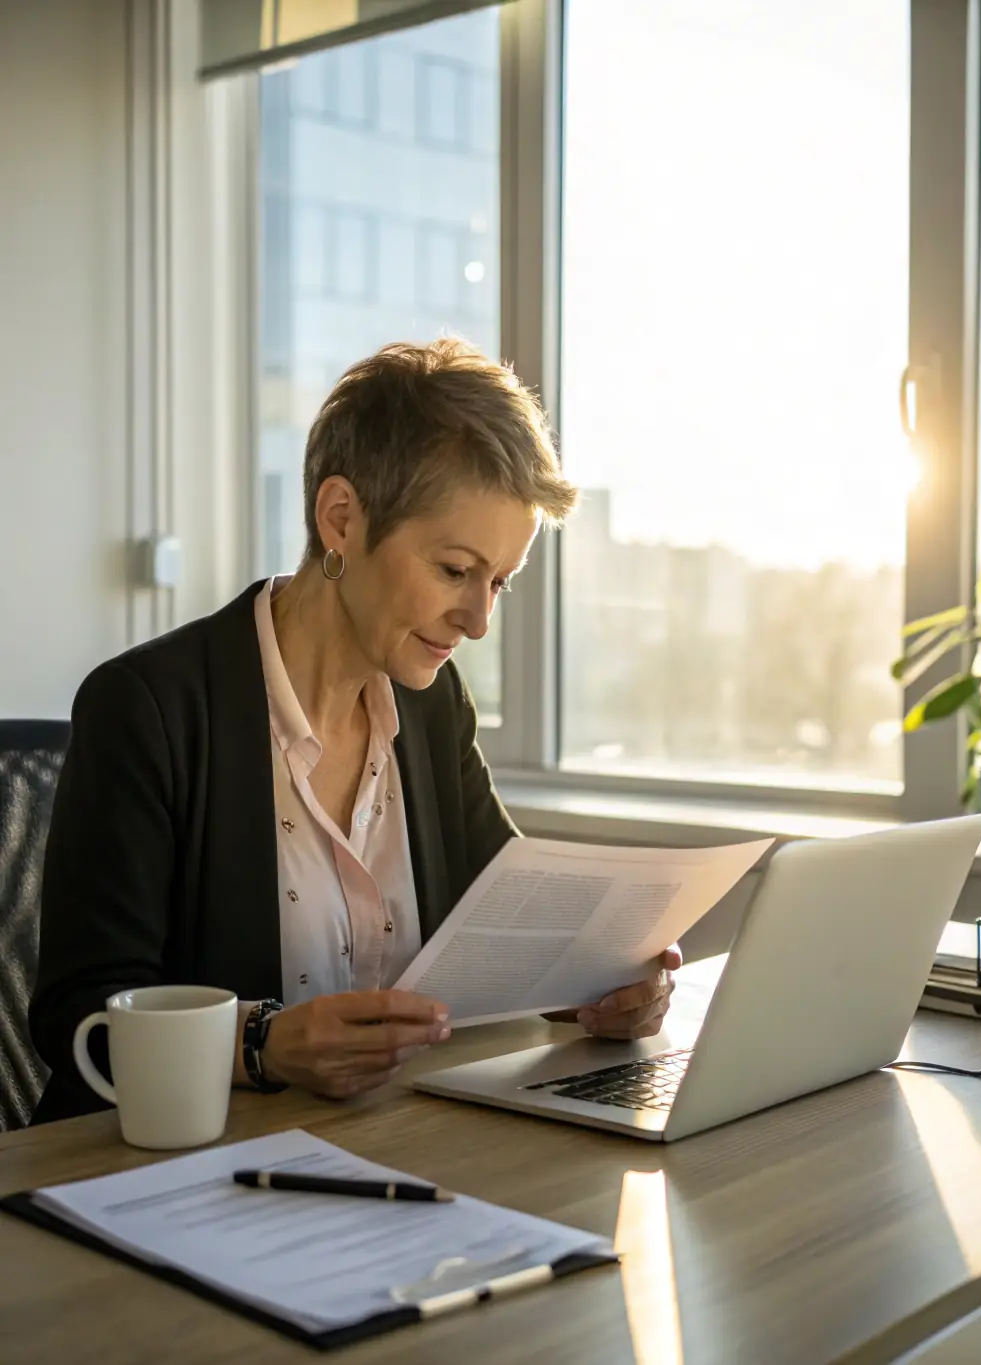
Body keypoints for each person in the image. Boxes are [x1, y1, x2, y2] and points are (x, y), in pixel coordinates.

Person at [30, 339, 680, 1124]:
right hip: (176, 1178)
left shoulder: (432, 707)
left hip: (377, 1155)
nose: (478, 621)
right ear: (341, 518)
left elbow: (513, 921)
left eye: (499, 581)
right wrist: (261, 1043)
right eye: (454, 570)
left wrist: (600, 985)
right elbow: (78, 1017)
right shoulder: (147, 708)